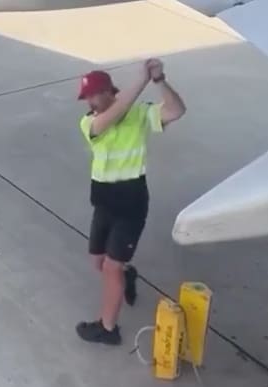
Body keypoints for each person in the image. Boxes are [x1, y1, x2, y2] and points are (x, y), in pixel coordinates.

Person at [76, 58, 186, 345]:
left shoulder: (140, 114)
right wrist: (142, 78)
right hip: (103, 204)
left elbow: (177, 110)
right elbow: (116, 112)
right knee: (98, 262)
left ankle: (108, 328)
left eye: (92, 94)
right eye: (85, 96)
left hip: (131, 204)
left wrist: (159, 81)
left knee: (111, 268)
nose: (88, 101)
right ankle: (126, 272)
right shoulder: (90, 122)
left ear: (108, 91)